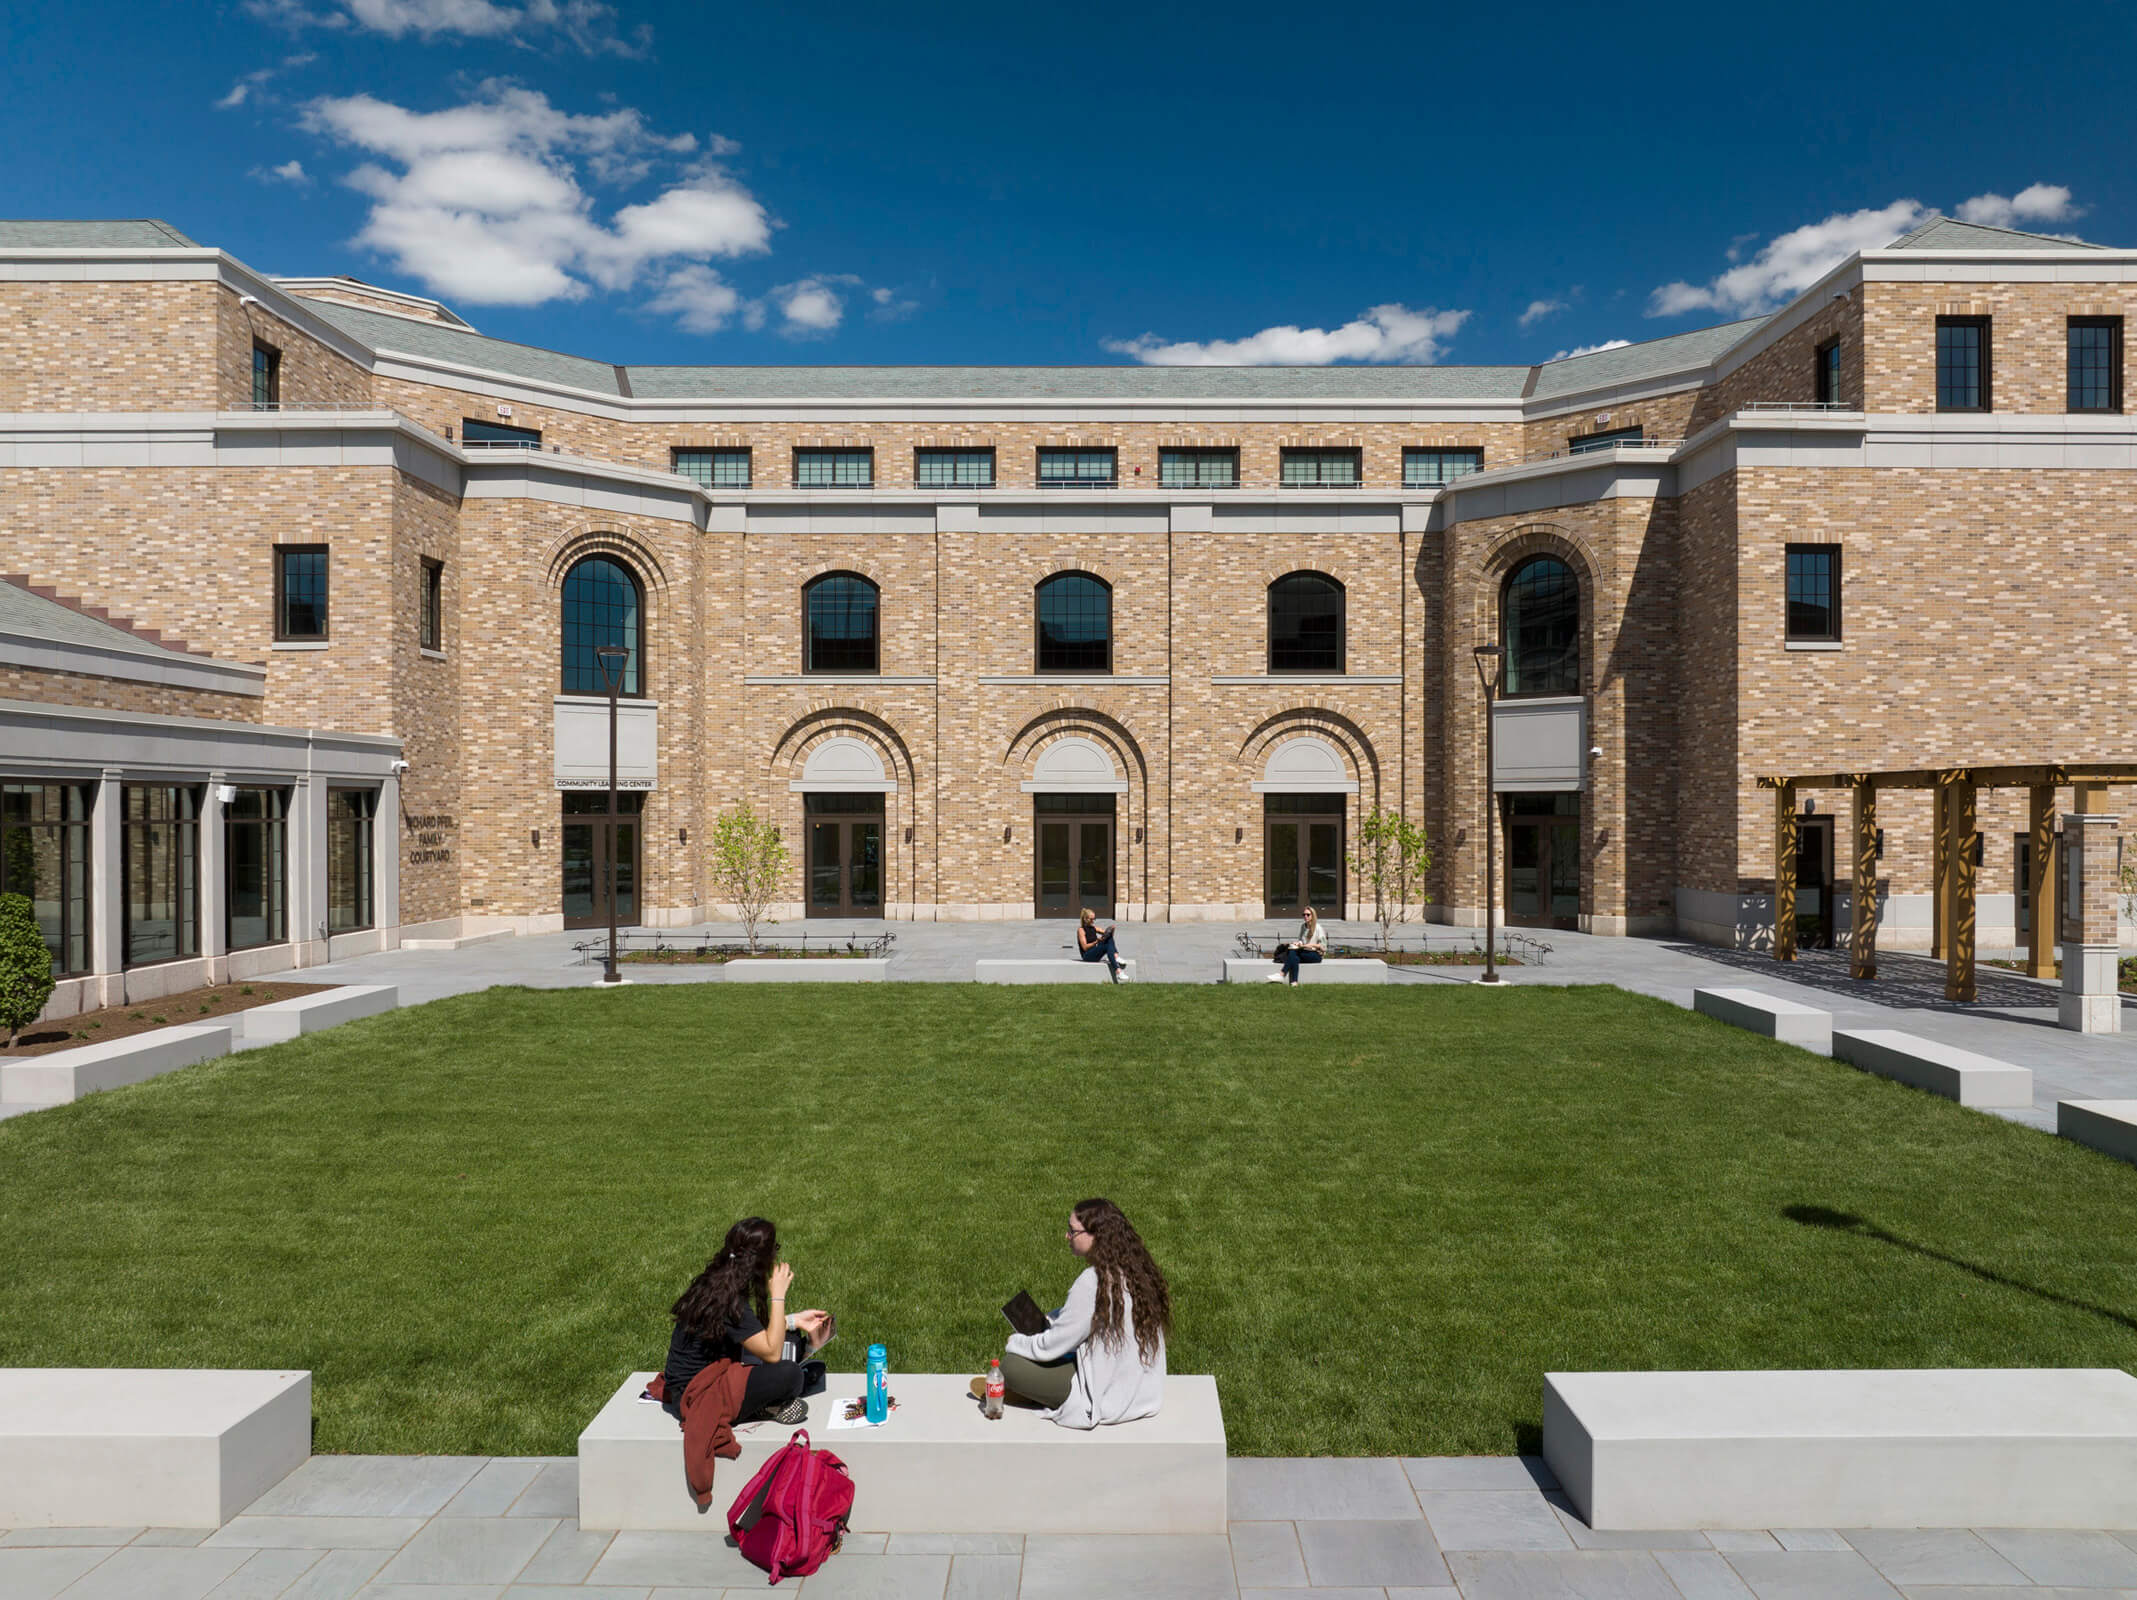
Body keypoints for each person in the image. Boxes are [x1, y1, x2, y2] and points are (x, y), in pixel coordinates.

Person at [994, 1197, 1169, 1428]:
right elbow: (1092, 1318)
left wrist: (1016, 1342)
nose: (1067, 1236)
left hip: (1108, 1392)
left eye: (1072, 1231)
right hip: (1141, 1390)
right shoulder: (1139, 1270)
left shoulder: (1092, 1282)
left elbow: (1051, 1346)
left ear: (1096, 1235)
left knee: (1010, 1367)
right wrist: (1059, 1317)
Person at [662, 1217, 833, 1428]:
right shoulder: (729, 1298)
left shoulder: (717, 1281)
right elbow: (771, 1353)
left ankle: (766, 1401)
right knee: (791, 1374)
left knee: (789, 1338)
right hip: (697, 1396)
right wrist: (778, 1295)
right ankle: (764, 1405)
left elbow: (745, 1330)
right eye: (775, 1249)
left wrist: (793, 1321)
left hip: (687, 1384)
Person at [1267, 905, 1326, 984]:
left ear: (1313, 915)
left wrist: (1305, 946)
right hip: (1304, 952)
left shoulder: (1318, 928)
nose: (1305, 916)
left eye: (1308, 914)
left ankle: (1282, 974)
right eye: (1304, 915)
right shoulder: (1303, 926)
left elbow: (1323, 946)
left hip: (1315, 955)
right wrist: (1298, 943)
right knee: (1294, 957)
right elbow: (1301, 940)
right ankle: (1294, 982)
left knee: (1293, 953)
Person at [1076, 906, 1127, 981]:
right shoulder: (1081, 930)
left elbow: (1109, 936)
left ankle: (1115, 956)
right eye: (1091, 919)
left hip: (1094, 951)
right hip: (1087, 955)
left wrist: (1111, 930)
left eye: (1094, 919)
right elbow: (1085, 947)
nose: (1093, 921)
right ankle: (1118, 971)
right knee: (1106, 946)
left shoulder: (1094, 928)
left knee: (1108, 937)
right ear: (1085, 919)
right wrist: (1096, 941)